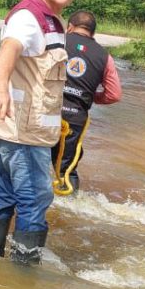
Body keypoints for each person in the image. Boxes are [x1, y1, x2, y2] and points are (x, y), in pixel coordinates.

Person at [0, 0, 89, 263]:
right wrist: (0, 86)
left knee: (8, 192)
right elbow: (9, 47)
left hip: (20, 127)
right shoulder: (29, 17)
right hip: (19, 129)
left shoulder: (51, 20)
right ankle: (23, 274)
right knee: (36, 196)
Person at [51, 10, 123, 194]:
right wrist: (89, 96)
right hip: (75, 117)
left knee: (32, 160)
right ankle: (69, 211)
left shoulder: (57, 41)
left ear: (70, 27)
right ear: (93, 33)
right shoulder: (105, 56)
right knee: (66, 170)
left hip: (47, 109)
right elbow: (114, 94)